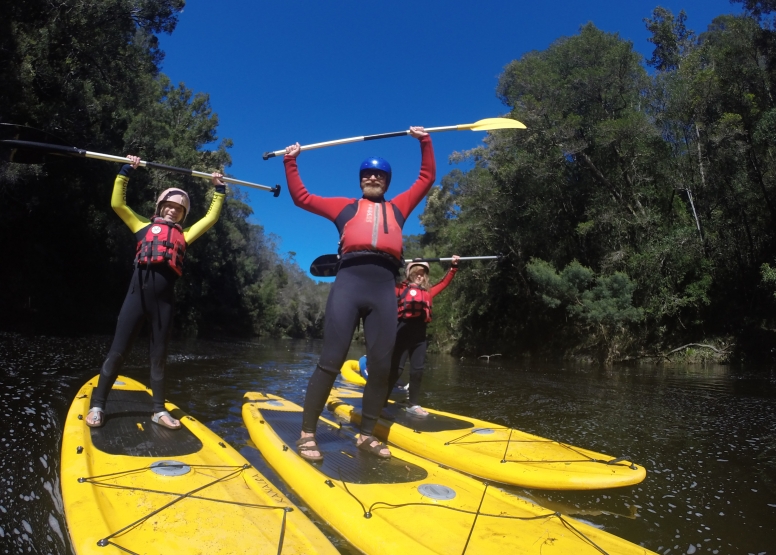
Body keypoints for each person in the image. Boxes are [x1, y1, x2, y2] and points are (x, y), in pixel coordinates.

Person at [284, 126, 435, 460]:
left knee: (381, 367)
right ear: (360, 180)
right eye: (368, 174)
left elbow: (426, 177)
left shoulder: (399, 208)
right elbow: (302, 198)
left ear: (387, 182)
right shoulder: (345, 208)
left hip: (383, 288)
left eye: (380, 175)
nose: (373, 178)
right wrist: (291, 162)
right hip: (350, 284)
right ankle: (308, 432)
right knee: (331, 361)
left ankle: (366, 434)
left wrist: (424, 141)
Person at [86, 155, 227, 429]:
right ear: (160, 206)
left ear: (184, 215)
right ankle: (98, 405)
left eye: (179, 209)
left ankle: (159, 410)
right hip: (134, 299)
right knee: (118, 352)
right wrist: (127, 170)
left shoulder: (184, 236)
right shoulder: (142, 226)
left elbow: (210, 218)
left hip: (163, 304)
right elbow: (118, 204)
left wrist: (218, 189)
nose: (173, 211)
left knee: (159, 356)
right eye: (169, 206)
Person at [386, 256, 459, 417]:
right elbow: (385, 282)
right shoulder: (398, 289)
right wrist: (391, 264)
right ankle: (381, 401)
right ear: (409, 273)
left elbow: (444, 283)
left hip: (420, 336)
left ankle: (413, 404)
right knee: (396, 370)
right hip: (402, 333)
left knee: (417, 371)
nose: (420, 276)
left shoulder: (428, 292)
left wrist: (453, 267)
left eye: (422, 273)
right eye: (416, 272)